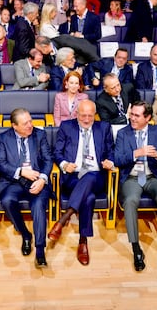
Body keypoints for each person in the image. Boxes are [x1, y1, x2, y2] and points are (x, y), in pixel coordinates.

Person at [48, 99, 115, 265]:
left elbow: (111, 151)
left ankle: (63, 220)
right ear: (76, 114)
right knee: (89, 198)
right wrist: (64, 164)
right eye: (83, 115)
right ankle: (83, 241)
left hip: (96, 176)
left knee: (91, 176)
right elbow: (57, 152)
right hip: (73, 176)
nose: (86, 119)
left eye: (90, 116)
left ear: (95, 115)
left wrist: (110, 162)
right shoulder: (66, 126)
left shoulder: (104, 127)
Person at [114, 101, 157, 271]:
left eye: (136, 115)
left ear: (147, 118)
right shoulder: (123, 133)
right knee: (131, 200)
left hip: (152, 176)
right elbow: (117, 160)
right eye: (131, 114)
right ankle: (136, 248)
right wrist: (137, 153)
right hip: (132, 178)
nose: (132, 118)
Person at [0, 108, 53, 268]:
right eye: (25, 123)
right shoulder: (4, 138)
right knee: (7, 201)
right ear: (15, 126)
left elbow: (48, 160)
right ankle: (26, 234)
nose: (30, 125)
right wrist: (21, 171)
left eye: (30, 121)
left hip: (36, 180)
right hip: (14, 181)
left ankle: (40, 250)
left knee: (39, 206)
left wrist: (42, 178)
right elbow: (0, 164)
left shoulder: (39, 135)